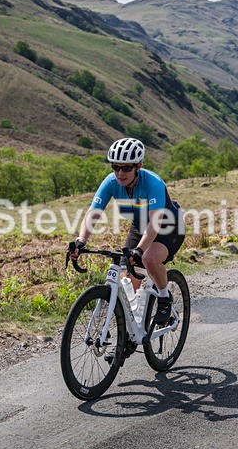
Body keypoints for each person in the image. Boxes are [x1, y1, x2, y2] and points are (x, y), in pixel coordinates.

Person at [69, 138, 185, 326]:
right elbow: (93, 213)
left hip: (168, 226)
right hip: (140, 226)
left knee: (149, 259)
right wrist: (81, 240)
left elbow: (155, 223)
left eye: (126, 168)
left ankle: (164, 298)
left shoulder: (153, 183)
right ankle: (132, 327)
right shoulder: (111, 182)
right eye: (116, 167)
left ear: (138, 166)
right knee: (126, 280)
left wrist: (140, 249)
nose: (120, 173)